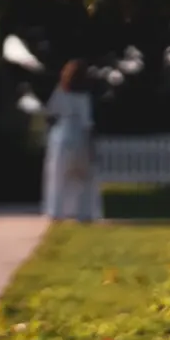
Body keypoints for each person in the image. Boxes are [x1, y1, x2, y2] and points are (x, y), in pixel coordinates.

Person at [42, 59, 102, 222]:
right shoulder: (84, 96)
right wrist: (92, 146)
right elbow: (87, 123)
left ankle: (56, 211)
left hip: (61, 136)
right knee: (85, 177)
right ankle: (84, 213)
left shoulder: (60, 91)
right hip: (79, 137)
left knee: (58, 178)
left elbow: (50, 114)